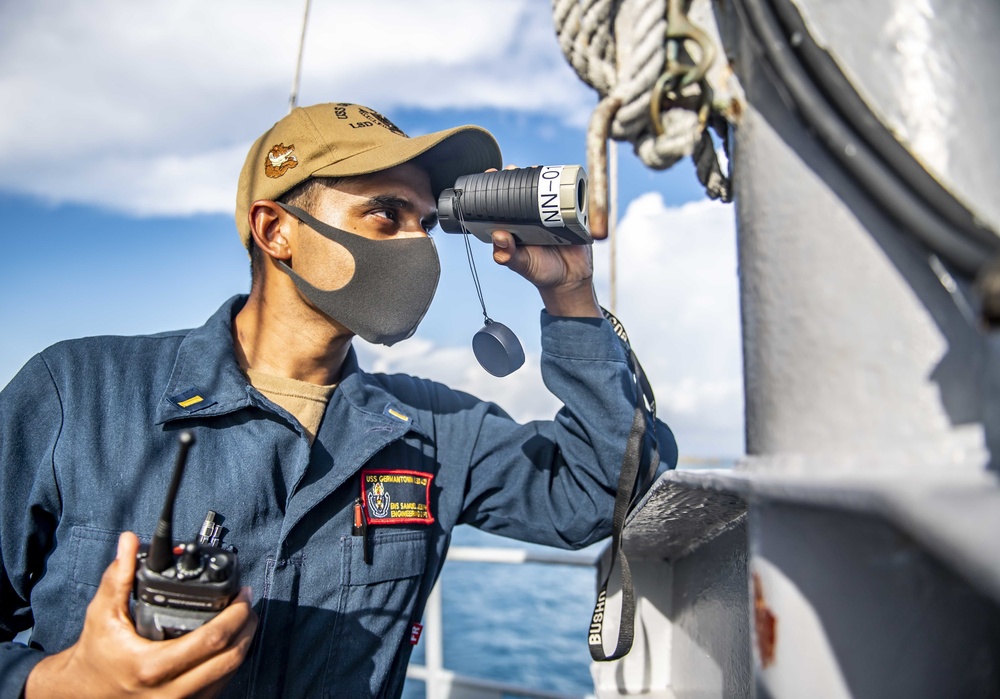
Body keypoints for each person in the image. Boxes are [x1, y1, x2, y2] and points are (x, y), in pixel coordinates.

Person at [1, 103, 676, 698]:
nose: (417, 242)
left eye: (426, 222)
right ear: (276, 231)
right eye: (385, 213)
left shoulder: (435, 431)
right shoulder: (77, 392)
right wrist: (60, 684)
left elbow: (597, 490)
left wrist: (570, 297)